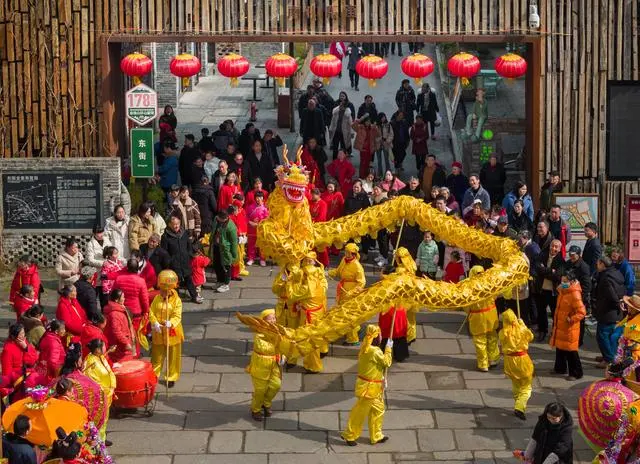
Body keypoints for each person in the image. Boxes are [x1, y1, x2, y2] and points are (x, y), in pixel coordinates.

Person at [341, 324, 392, 446]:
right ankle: (350, 435)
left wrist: (381, 378)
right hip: (369, 389)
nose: (381, 337)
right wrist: (389, 349)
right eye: (379, 335)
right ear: (376, 337)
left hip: (371, 386)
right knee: (359, 413)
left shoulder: (366, 346)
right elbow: (387, 362)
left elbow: (374, 367)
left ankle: (376, 435)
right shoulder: (375, 351)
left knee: (378, 409)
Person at [149, 271, 185, 388]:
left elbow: (177, 315)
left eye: (164, 291)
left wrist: (171, 323)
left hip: (172, 332)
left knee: (173, 356)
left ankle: (171, 377)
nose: (162, 292)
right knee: (156, 356)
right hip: (159, 332)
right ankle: (154, 375)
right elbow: (151, 312)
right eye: (161, 290)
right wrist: (155, 323)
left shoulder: (177, 301)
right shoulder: (157, 299)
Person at [247, 309, 283, 421]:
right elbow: (265, 348)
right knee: (260, 391)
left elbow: (283, 347)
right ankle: (256, 409)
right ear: (263, 321)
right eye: (270, 318)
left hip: (273, 365)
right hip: (260, 366)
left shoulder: (278, 331)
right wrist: (279, 343)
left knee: (276, 385)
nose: (273, 320)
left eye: (274, 318)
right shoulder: (259, 334)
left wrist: (283, 354)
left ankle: (266, 403)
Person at [499, 309, 534, 420]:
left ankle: (517, 402)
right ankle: (519, 406)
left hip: (509, 360)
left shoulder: (502, 332)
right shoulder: (522, 329)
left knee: (515, 383)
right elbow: (531, 337)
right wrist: (522, 324)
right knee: (526, 387)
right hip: (522, 359)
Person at [549, 270, 585, 380]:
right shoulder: (563, 291)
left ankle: (576, 373)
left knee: (571, 351)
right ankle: (560, 368)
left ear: (572, 281)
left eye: (565, 281)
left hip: (569, 327)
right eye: (562, 280)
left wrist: (571, 319)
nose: (563, 282)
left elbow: (582, 312)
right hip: (561, 325)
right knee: (560, 348)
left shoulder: (574, 294)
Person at [328, 243, 366, 345]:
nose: (347, 254)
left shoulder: (357, 266)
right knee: (342, 312)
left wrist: (352, 292)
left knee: (349, 315)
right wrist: (327, 273)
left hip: (351, 293)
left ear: (354, 254)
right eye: (346, 252)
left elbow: (362, 282)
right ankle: (352, 330)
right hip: (343, 290)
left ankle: (353, 338)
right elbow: (338, 271)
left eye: (349, 253)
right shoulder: (344, 260)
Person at [465, 266, 500, 372]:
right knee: (492, 337)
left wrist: (468, 312)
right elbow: (496, 295)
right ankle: (493, 359)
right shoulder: (489, 283)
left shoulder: (469, 287)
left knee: (480, 340)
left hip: (478, 317)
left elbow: (466, 305)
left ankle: (483, 363)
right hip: (491, 315)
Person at [594, 256, 626, 367]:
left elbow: (611, 294)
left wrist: (617, 303)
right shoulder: (616, 272)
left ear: (602, 264)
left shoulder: (605, 277)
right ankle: (607, 355)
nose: (596, 266)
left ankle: (608, 359)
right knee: (610, 337)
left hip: (607, 312)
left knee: (602, 335)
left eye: (598, 264)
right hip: (615, 312)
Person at [161, 216, 202, 303]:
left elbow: (189, 245)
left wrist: (189, 254)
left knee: (189, 279)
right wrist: (169, 262)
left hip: (185, 261)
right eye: (174, 224)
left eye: (178, 224)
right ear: (169, 225)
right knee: (175, 283)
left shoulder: (184, 233)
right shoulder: (165, 236)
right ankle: (176, 299)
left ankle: (194, 296)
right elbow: (164, 252)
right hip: (174, 263)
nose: (176, 226)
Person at [82, 338, 116, 441]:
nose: (105, 348)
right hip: (101, 396)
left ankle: (102, 439)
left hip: (107, 394)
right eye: (104, 346)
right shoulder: (91, 363)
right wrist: (107, 390)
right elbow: (93, 383)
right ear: (97, 350)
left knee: (105, 419)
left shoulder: (99, 357)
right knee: (100, 420)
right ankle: (98, 442)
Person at [534, 239, 564, 342]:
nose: (553, 248)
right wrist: (551, 270)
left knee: (555, 313)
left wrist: (545, 271)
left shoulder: (561, 260)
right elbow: (537, 268)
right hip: (541, 290)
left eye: (556, 247)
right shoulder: (542, 255)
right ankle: (543, 331)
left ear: (559, 249)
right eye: (552, 246)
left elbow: (557, 277)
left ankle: (555, 332)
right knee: (541, 312)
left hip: (553, 292)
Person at [113, 258, 150, 342]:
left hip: (121, 310)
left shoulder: (119, 279)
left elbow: (112, 295)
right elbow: (144, 299)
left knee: (122, 334)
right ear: (138, 269)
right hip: (135, 313)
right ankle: (135, 353)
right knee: (135, 335)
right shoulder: (141, 281)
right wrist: (146, 311)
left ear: (127, 268)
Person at [103, 288, 136, 362]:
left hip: (123, 343)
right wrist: (126, 343)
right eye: (122, 297)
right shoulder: (114, 314)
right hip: (120, 346)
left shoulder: (121, 309)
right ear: (116, 300)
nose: (124, 299)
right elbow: (116, 331)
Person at [210, 210, 238, 294]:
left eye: (224, 219)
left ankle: (226, 284)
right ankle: (219, 281)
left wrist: (233, 255)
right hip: (216, 246)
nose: (222, 220)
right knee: (216, 265)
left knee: (226, 266)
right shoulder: (216, 219)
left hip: (226, 250)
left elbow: (234, 242)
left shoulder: (231, 227)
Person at [246, 191, 269, 266]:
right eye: (257, 197)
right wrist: (250, 222)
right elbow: (246, 217)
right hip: (252, 229)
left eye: (260, 197)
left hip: (261, 229)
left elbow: (267, 219)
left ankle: (262, 259)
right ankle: (251, 258)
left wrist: (260, 224)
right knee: (251, 244)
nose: (259, 199)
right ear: (255, 198)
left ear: (263, 198)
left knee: (262, 245)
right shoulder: (250, 207)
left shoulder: (265, 208)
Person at [229, 197, 249, 280]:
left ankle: (235, 273)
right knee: (236, 256)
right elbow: (234, 229)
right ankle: (234, 273)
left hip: (239, 238)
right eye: (238, 209)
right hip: (234, 240)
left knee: (239, 255)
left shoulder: (236, 215)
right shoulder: (231, 218)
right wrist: (240, 235)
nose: (239, 211)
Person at [309, 189, 330, 267]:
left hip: (319, 227)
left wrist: (312, 221)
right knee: (311, 245)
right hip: (310, 226)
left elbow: (322, 217)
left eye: (314, 195)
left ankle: (325, 263)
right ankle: (312, 260)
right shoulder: (310, 202)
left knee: (321, 246)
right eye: (312, 194)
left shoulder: (323, 204)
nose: (312, 196)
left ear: (318, 195)